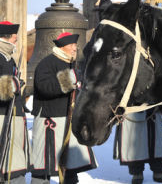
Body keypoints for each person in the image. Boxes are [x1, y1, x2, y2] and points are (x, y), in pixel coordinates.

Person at [31, 32, 97, 184]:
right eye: (72, 45)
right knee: (44, 165)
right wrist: (70, 80)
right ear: (63, 47)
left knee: (70, 165)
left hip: (69, 119)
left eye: (75, 45)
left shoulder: (71, 63)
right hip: (51, 120)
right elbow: (44, 87)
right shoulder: (46, 63)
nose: (75, 48)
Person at [0, 21, 30, 184]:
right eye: (15, 39)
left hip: (13, 116)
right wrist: (13, 84)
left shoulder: (8, 58)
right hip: (2, 117)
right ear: (7, 39)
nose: (16, 42)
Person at [114, 109, 162, 184]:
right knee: (135, 146)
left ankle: (158, 170)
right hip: (132, 110)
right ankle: (137, 173)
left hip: (152, 108)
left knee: (157, 143)